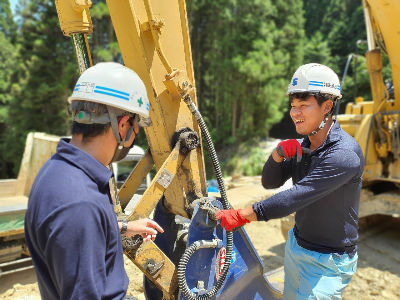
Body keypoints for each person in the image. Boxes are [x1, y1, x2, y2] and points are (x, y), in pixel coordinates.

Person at [217, 63, 364, 299]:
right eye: (293, 106)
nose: (295, 113)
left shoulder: (343, 155)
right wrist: (277, 155)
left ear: (327, 106)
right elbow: (270, 181)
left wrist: (243, 214)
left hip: (328, 262)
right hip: (297, 246)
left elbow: (296, 197)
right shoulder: (305, 145)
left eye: (304, 106)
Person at [24, 62, 164, 299]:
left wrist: (122, 228)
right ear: (122, 125)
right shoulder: (80, 203)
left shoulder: (56, 171)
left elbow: (84, 232)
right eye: (136, 126)